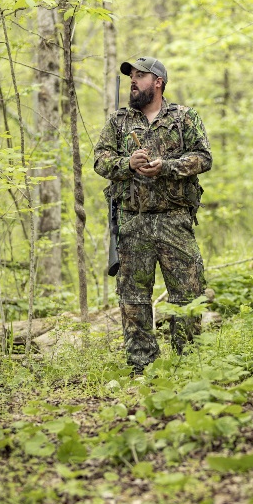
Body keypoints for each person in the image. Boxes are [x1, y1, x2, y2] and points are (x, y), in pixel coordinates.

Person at [94, 56, 212, 374]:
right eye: (131, 76)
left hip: (175, 219)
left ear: (158, 82)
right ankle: (141, 368)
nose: (133, 81)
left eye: (140, 76)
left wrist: (167, 167)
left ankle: (188, 365)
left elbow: (204, 157)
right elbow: (100, 161)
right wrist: (126, 164)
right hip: (132, 220)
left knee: (187, 294)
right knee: (133, 297)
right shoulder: (119, 122)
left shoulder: (184, 117)